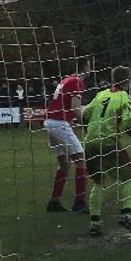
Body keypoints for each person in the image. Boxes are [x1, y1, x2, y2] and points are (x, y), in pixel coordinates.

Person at [82, 66, 131, 237]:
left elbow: (84, 115)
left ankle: (94, 223)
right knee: (128, 176)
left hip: (89, 143)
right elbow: (127, 126)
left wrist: (92, 131)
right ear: (129, 79)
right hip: (109, 142)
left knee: (98, 181)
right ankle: (127, 214)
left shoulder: (101, 94)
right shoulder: (125, 97)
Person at [43, 61, 90, 213]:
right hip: (58, 123)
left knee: (64, 163)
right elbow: (76, 109)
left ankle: (54, 201)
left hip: (50, 122)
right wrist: (86, 123)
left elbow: (65, 106)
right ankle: (79, 203)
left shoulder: (66, 80)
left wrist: (73, 119)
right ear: (86, 67)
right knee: (81, 160)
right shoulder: (77, 82)